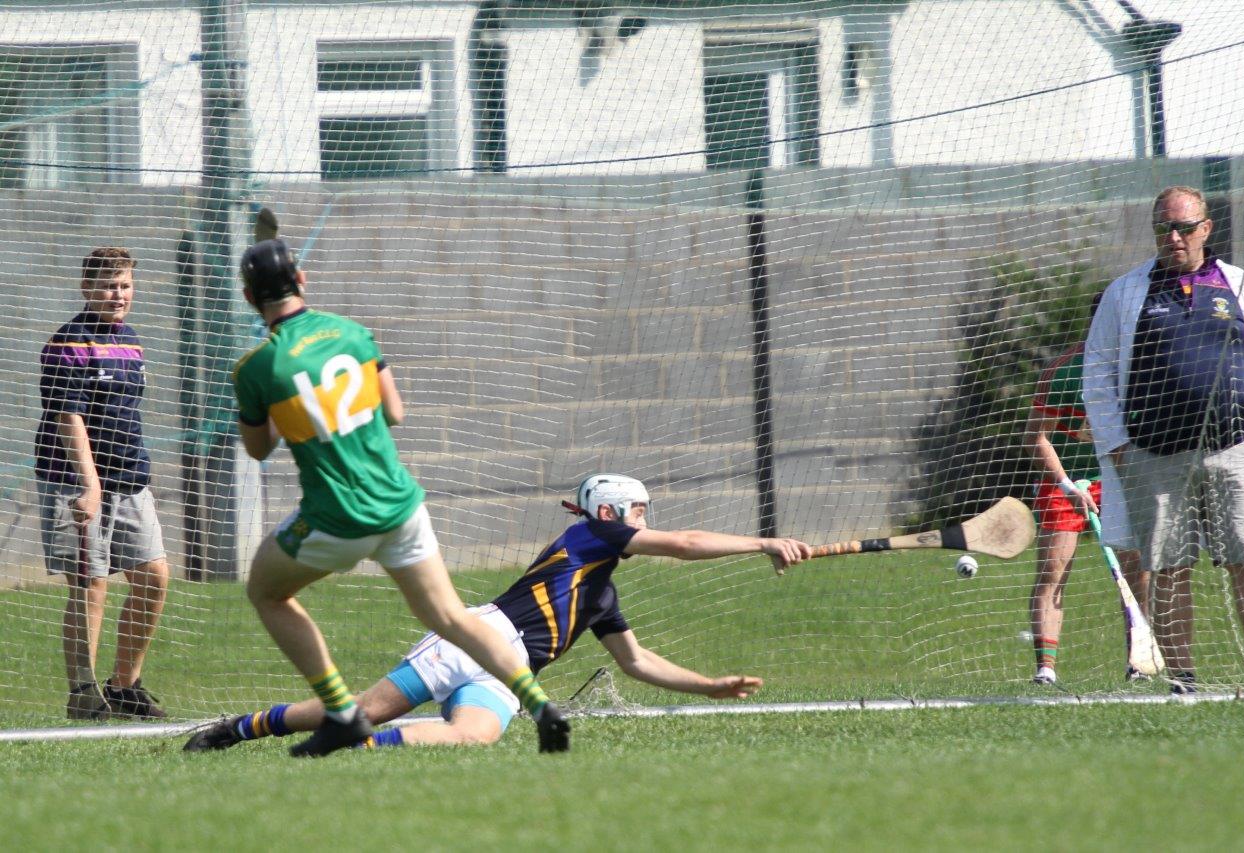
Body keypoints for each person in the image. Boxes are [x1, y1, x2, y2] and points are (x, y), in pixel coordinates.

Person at [184, 473, 811, 752]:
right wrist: (763, 542)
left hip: (510, 673)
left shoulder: (602, 591)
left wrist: (709, 687)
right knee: (361, 707)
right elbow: (684, 545)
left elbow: (637, 662)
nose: (648, 520)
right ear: (610, 514)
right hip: (478, 638)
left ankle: (366, 748)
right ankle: (243, 728)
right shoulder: (589, 537)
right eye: (639, 510)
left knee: (473, 737)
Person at [230, 238, 568, 756]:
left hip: (337, 517)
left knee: (267, 592)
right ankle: (540, 703)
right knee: (452, 617)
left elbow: (257, 448)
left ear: (251, 297)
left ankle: (341, 711)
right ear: (302, 283)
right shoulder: (353, 334)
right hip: (402, 506)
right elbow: (394, 412)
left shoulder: (257, 367)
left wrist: (284, 406)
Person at [1084, 185, 1244, 695]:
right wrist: (1119, 447)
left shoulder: (1241, 289)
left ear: (1206, 229)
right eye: (1164, 228)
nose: (1174, 237)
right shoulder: (1127, 293)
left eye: (1185, 227)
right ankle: (1183, 680)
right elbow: (1098, 371)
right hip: (1154, 455)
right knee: (1168, 568)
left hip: (1237, 449)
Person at [35, 247, 170, 720]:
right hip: (76, 480)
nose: (119, 294)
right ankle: (84, 695)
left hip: (129, 479)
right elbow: (68, 417)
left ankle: (125, 686)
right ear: (87, 287)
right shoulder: (67, 343)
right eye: (110, 285)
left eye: (126, 285)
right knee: (91, 585)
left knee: (154, 577)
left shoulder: (131, 341)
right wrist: (89, 486)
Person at [1026, 299, 1147, 685]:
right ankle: (1046, 670)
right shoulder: (1062, 372)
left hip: (1119, 477)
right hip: (1064, 479)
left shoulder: (1142, 367)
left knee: (1136, 568)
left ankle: (1140, 662)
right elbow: (1035, 436)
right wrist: (1066, 484)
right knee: (1054, 569)